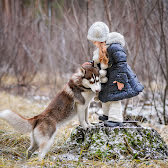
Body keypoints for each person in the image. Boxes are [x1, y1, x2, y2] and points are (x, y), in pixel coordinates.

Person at [87, 21, 144, 127]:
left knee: (114, 99)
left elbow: (121, 63)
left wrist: (120, 80)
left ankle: (115, 119)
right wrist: (91, 65)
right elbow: (100, 62)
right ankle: (107, 115)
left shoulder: (114, 47)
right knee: (106, 97)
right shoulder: (101, 49)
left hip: (117, 78)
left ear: (101, 39)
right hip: (108, 79)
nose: (94, 43)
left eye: (95, 40)